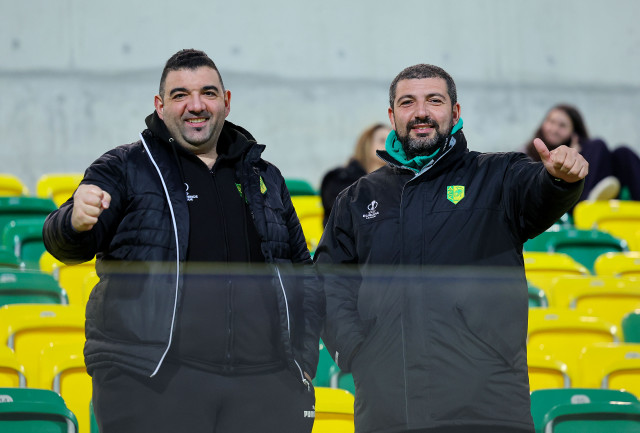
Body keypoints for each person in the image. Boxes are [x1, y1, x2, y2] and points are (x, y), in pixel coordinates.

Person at [42, 49, 323, 433]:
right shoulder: (124, 167)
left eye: (208, 93)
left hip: (265, 386)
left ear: (226, 101)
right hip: (152, 382)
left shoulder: (265, 176)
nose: (196, 105)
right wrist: (74, 222)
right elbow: (65, 245)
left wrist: (302, 362)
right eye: (180, 95)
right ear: (160, 107)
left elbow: (304, 273)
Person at [314, 64, 588, 433]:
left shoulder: (499, 175)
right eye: (407, 102)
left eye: (434, 100)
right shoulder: (357, 198)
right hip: (388, 411)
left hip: (488, 409)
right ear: (392, 116)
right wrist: (358, 354)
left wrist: (559, 180)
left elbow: (538, 192)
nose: (421, 112)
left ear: (455, 112)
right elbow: (327, 284)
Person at [523, 104, 640, 202]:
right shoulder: (528, 153)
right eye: (551, 122)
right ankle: (586, 200)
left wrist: (577, 154)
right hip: (567, 196)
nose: (554, 129)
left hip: (600, 184)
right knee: (598, 144)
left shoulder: (586, 149)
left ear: (573, 132)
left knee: (623, 153)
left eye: (562, 125)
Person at [320, 123, 391, 226]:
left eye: (392, 142)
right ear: (367, 144)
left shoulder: (398, 182)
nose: (388, 146)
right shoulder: (339, 179)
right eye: (382, 140)